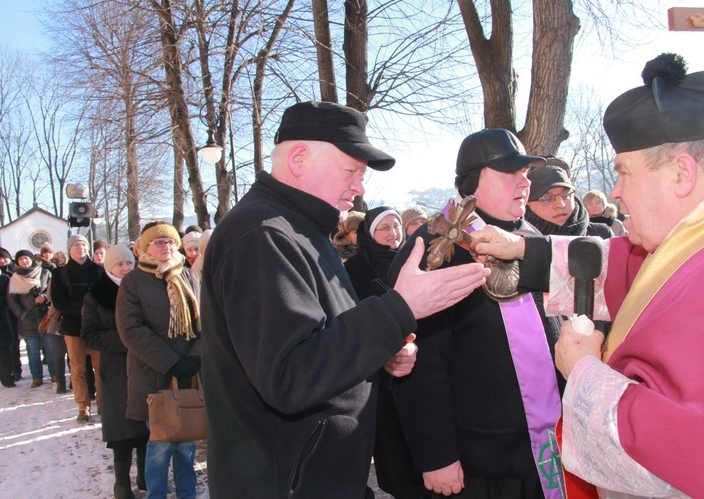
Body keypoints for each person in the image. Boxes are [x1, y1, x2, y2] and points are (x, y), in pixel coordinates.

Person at [470, 53, 704, 498]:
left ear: (681, 173)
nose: (614, 191)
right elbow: (629, 266)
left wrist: (583, 371)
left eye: (623, 172)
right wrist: (524, 248)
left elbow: (687, 457)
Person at [200, 101, 489, 499]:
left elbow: (320, 342)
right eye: (351, 170)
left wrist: (381, 354)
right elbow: (290, 375)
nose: (360, 187)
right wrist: (399, 310)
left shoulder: (299, 230)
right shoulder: (262, 234)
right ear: (299, 158)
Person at [388, 128, 564, 499]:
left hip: (550, 450)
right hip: (478, 466)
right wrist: (436, 455)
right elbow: (419, 363)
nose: (525, 182)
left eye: (527, 173)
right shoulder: (435, 250)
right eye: (510, 172)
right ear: (471, 183)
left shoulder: (530, 237)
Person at [344, 206, 427, 499]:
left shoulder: (412, 260)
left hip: (422, 361)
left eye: (395, 226)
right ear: (369, 233)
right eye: (384, 228)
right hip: (382, 370)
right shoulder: (355, 269)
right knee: (397, 447)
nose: (392, 233)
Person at [116, 222, 201, 499]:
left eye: (170, 242)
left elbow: (206, 321)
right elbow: (131, 330)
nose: (166, 248)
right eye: (159, 243)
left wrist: (195, 359)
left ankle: (188, 494)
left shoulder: (188, 275)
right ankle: (157, 495)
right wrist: (171, 362)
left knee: (187, 443)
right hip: (153, 374)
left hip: (188, 373)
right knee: (161, 445)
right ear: (144, 248)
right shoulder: (133, 282)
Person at [81, 245, 148, 499]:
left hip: (144, 365)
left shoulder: (142, 288)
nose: (125, 269)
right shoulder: (96, 296)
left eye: (129, 264)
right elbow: (89, 336)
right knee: (121, 429)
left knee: (146, 424)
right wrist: (129, 339)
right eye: (120, 264)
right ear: (109, 266)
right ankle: (121, 483)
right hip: (115, 369)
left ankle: (144, 476)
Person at [51, 234, 103, 421]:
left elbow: (105, 296)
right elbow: (58, 301)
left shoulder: (98, 270)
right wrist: (80, 310)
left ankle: (103, 404)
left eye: (83, 244)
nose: (80, 248)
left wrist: (93, 311)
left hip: (97, 325)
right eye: (76, 245)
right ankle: (83, 406)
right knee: (77, 368)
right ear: (69, 249)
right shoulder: (59, 273)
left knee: (100, 367)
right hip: (73, 325)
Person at [7, 250, 54, 388]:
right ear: (17, 262)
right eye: (21, 259)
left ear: (31, 259)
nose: (24, 261)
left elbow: (51, 289)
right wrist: (22, 314)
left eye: (26, 258)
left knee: (50, 348)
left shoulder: (44, 273)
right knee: (33, 350)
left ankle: (55, 374)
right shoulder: (14, 278)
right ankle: (37, 377)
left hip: (45, 316)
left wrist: (45, 297)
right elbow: (11, 299)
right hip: (27, 320)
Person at [526, 166, 612, 239]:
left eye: (566, 195)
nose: (560, 204)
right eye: (546, 198)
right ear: (527, 203)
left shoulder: (602, 234)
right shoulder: (518, 241)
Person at [0, 266, 15, 388]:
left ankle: (7, 379)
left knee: (3, 352)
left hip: (1, 320)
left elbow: (10, 296)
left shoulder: (3, 279)